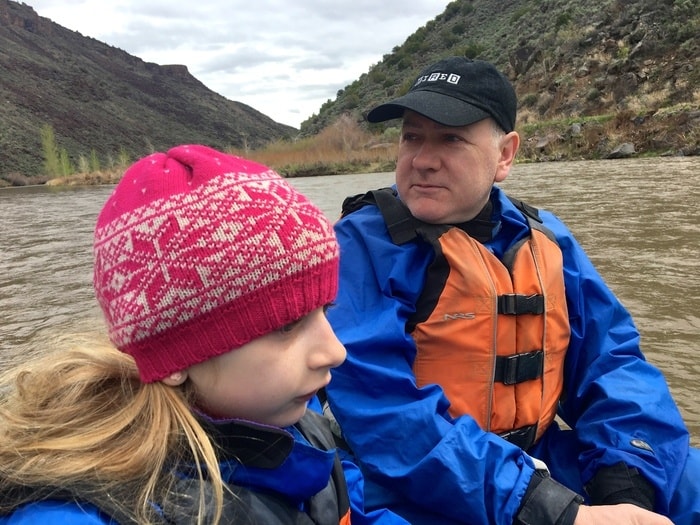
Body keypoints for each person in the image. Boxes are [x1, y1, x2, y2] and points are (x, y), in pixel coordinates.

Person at [323, 57, 700, 525]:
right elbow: (386, 418)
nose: (422, 159)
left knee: (680, 480)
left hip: (536, 460)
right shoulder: (361, 246)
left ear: (504, 155)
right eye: (412, 136)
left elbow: (613, 364)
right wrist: (546, 509)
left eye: (451, 138)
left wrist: (626, 489)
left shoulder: (547, 239)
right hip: (404, 485)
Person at [0, 144, 409, 524]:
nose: (335, 352)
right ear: (176, 357)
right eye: (286, 326)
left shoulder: (297, 429)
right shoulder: (72, 513)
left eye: (325, 310)